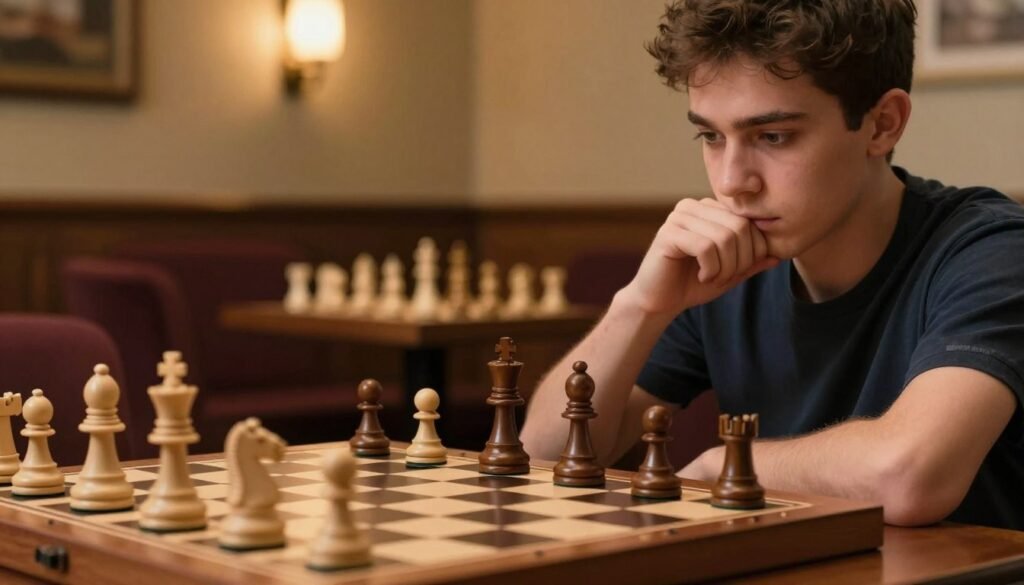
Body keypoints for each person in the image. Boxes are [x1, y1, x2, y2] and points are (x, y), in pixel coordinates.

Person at [520, 0, 1024, 531]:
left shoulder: (990, 251)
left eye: (773, 136)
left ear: (883, 124)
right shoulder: (728, 265)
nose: (732, 181)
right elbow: (541, 458)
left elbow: (912, 476)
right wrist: (641, 306)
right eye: (711, 136)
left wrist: (727, 466)